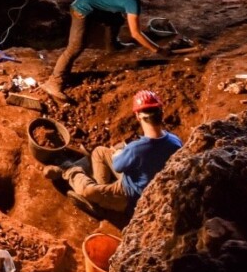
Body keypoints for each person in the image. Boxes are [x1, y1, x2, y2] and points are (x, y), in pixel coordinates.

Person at [41, 0, 173, 104]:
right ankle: (54, 81)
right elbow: (136, 34)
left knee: (116, 19)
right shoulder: (131, 0)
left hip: (95, 4)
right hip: (81, 8)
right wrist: (158, 50)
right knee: (76, 47)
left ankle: (112, 45)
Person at [47, 90, 182, 214]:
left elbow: (118, 166)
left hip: (130, 197)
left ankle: (69, 170)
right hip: (138, 180)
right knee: (99, 152)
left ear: (138, 116)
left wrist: (118, 153)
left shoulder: (136, 149)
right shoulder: (175, 141)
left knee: (87, 191)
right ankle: (102, 191)